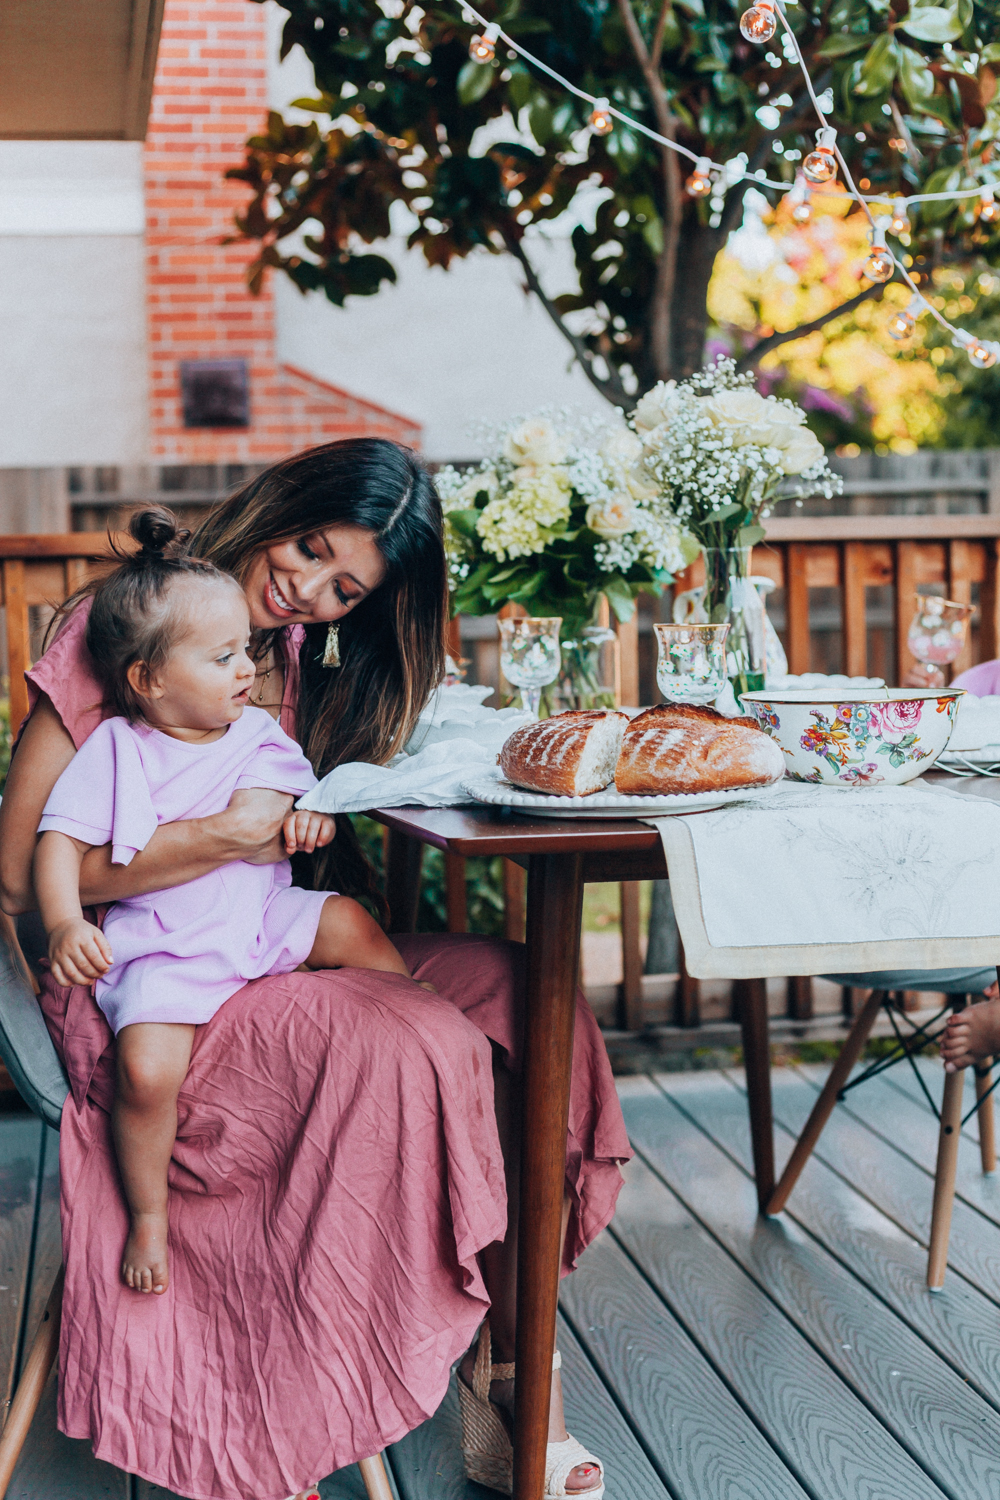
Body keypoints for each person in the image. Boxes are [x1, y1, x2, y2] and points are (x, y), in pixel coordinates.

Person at [0, 438, 623, 1500]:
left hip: (256, 939)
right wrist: (228, 836)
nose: (307, 591)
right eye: (309, 549)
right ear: (278, 503)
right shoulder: (130, 624)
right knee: (423, 1036)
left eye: (344, 589)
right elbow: (21, 872)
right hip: (137, 979)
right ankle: (411, 1374)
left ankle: (513, 1370)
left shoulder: (286, 655)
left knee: (529, 998)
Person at [35, 508, 427, 1299]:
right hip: (166, 940)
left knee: (347, 920)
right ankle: (148, 1215)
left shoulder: (258, 734)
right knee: (147, 1071)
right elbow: (53, 844)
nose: (247, 670)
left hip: (257, 916)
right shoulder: (117, 746)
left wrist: (310, 814)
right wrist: (65, 923)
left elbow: (302, 799)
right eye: (223, 657)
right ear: (147, 680)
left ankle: (417, 1019)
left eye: (245, 653)